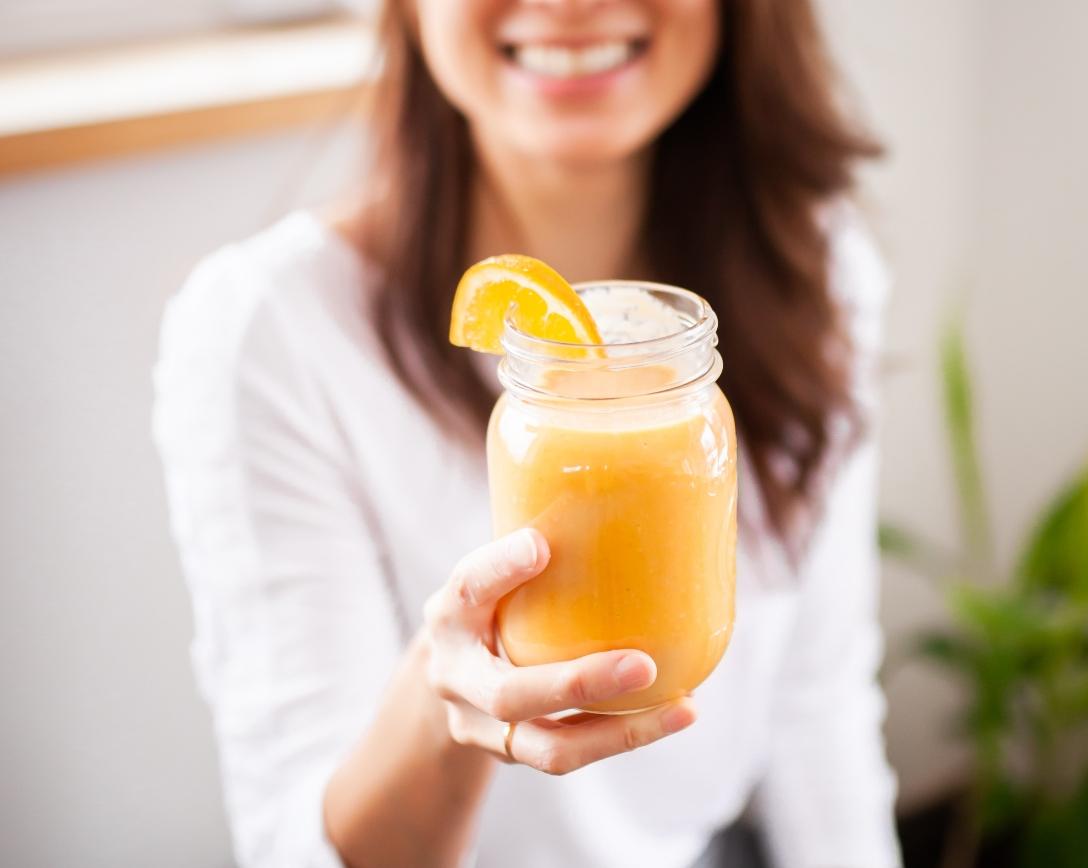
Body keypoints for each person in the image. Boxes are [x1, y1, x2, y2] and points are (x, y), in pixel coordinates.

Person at [153, 1, 899, 866]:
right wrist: (446, 711)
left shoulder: (814, 264)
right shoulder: (268, 331)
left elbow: (820, 710)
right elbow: (293, 848)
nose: (574, 3)